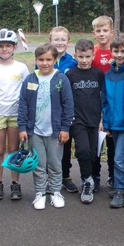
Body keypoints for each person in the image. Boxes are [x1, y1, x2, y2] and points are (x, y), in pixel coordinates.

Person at [18, 43, 74, 210]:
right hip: (35, 131)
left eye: (48, 59)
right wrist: (22, 128)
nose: (44, 63)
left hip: (55, 132)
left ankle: (56, 192)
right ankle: (40, 193)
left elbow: (68, 105)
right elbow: (23, 104)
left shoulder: (61, 78)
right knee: (39, 164)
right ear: (35, 60)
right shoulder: (30, 79)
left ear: (55, 60)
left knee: (55, 163)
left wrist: (65, 128)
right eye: (41, 59)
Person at [0, 29, 30, 201]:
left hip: (16, 114)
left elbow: (26, 93)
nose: (4, 49)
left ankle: (15, 183)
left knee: (13, 150)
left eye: (8, 46)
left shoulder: (21, 67)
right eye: (1, 46)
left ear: (15, 47)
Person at [66, 39, 105, 204]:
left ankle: (89, 176)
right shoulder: (70, 75)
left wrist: (102, 118)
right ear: (75, 56)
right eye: (81, 56)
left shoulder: (98, 74)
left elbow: (102, 96)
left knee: (93, 153)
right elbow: (67, 99)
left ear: (93, 55)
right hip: (77, 120)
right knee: (82, 150)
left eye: (87, 56)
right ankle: (87, 181)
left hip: (94, 120)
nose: (84, 60)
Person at [102, 35, 124, 208]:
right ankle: (123, 183)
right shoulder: (108, 74)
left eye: (123, 51)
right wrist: (106, 123)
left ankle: (120, 190)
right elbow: (105, 101)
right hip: (113, 123)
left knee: (119, 158)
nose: (119, 54)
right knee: (120, 157)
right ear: (111, 51)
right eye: (116, 50)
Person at [49, 26, 78, 194]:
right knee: (50, 144)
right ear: (50, 42)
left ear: (68, 42)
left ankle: (65, 176)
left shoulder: (73, 62)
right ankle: (50, 176)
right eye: (56, 39)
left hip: (67, 110)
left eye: (62, 39)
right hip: (49, 111)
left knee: (66, 143)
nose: (59, 42)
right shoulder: (44, 60)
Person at [91, 15, 116, 190]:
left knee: (113, 142)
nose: (101, 34)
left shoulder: (117, 51)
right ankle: (95, 176)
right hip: (94, 103)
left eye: (105, 30)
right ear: (94, 33)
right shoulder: (92, 52)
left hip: (113, 104)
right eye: (98, 31)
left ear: (112, 32)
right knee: (96, 142)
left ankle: (114, 176)